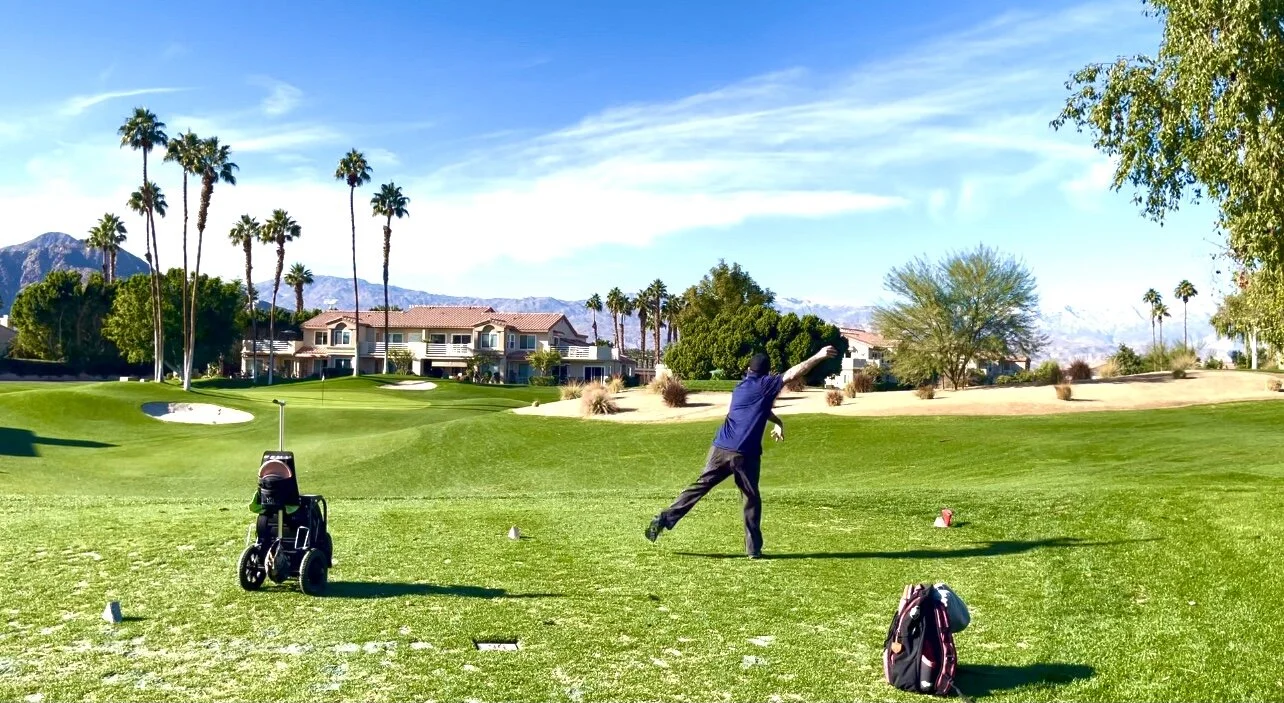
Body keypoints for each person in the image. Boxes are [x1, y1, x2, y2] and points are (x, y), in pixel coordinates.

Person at [645, 345, 838, 558]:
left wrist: (777, 422)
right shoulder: (767, 384)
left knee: (700, 487)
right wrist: (818, 356)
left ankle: (664, 518)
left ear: (748, 370)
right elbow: (794, 373)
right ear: (767, 372)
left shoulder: (740, 388)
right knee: (750, 498)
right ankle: (753, 549)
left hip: (720, 448)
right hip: (745, 453)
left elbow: (759, 408)